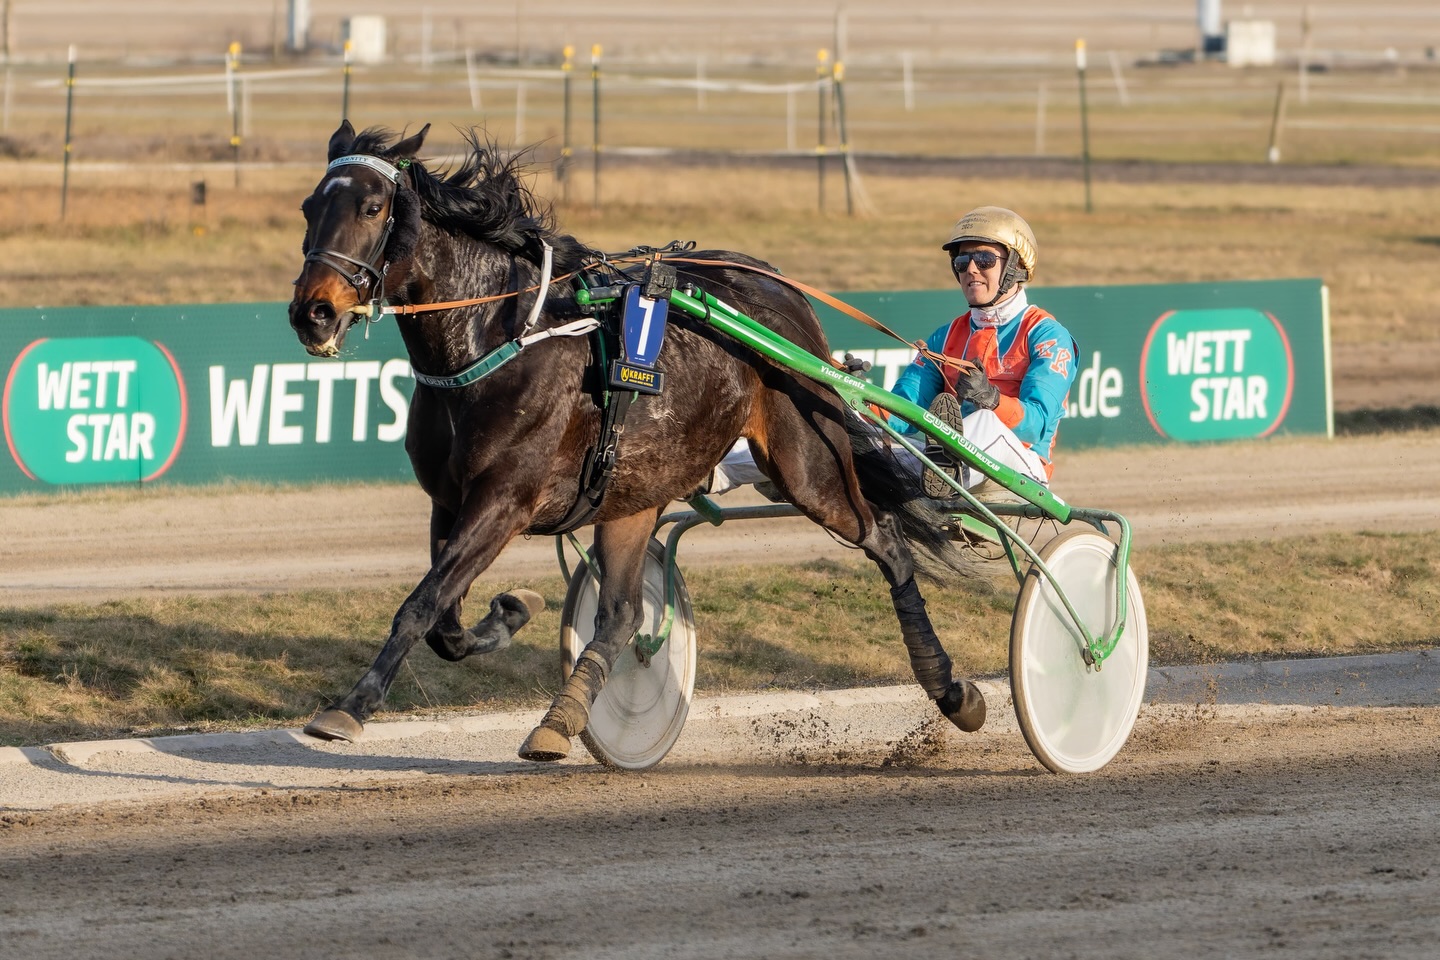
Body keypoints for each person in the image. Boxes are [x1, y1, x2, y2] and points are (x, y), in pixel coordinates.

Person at [706, 205, 1077, 500]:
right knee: (834, 430)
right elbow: (902, 412)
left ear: (1015, 267)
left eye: (984, 260)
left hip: (1020, 465)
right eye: (962, 263)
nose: (971, 271)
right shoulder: (944, 336)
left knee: (980, 422)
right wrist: (853, 397)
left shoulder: (1047, 336)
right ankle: (715, 467)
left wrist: (993, 400)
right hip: (940, 462)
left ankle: (941, 467)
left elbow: (1037, 424)